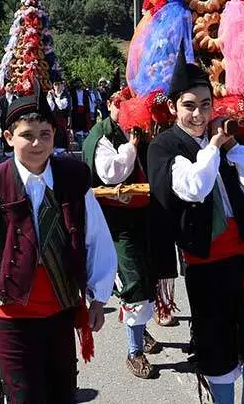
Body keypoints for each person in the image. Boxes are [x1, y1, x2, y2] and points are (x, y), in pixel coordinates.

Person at [0, 92, 117, 403]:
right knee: (24, 395)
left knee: (62, 393)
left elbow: (95, 237)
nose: (37, 144)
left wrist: (99, 297)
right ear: (8, 137)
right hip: (11, 314)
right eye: (27, 136)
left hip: (60, 309)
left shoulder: (73, 178)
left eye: (45, 135)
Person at [148, 47, 244, 403]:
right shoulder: (163, 147)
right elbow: (194, 188)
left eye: (204, 104)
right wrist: (213, 147)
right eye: (188, 105)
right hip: (207, 261)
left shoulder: (229, 141)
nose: (198, 114)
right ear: (173, 107)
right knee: (216, 346)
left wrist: (236, 149)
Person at [83, 87, 160, 379]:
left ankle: (139, 332)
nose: (125, 110)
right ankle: (133, 352)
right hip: (115, 223)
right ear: (110, 104)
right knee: (134, 281)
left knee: (143, 275)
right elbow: (110, 173)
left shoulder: (132, 129)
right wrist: (130, 146)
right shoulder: (105, 135)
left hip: (137, 218)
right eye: (120, 105)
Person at [0, 88, 15, 157]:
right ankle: (6, 153)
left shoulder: (16, 98)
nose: (11, 87)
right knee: (5, 137)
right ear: (5, 87)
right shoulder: (1, 99)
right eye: (9, 85)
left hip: (14, 123)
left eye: (12, 85)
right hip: (4, 123)